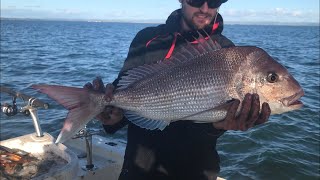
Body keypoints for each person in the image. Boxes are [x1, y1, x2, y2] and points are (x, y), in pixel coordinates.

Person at [85, 0, 271, 179]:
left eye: (214, 1)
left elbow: (213, 121)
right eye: (196, 0)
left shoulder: (227, 52)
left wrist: (219, 127)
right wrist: (113, 118)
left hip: (197, 170)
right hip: (139, 168)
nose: (205, 8)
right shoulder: (147, 40)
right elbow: (123, 94)